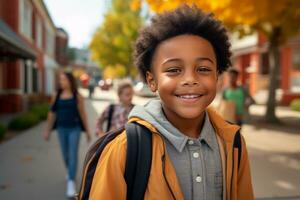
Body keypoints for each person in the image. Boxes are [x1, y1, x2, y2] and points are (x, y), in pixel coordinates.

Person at [89, 5, 254, 200]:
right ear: (152, 81)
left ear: (217, 76)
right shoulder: (124, 149)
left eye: (203, 69)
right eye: (174, 70)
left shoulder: (233, 143)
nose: (190, 79)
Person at [43, 71, 91, 198]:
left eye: (64, 79)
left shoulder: (77, 96)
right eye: (60, 79)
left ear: (70, 81)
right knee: (65, 155)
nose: (61, 82)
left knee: (73, 153)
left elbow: (83, 114)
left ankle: (71, 181)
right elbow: (51, 113)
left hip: (74, 129)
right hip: (61, 129)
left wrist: (87, 131)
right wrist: (47, 130)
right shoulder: (56, 95)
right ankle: (71, 172)